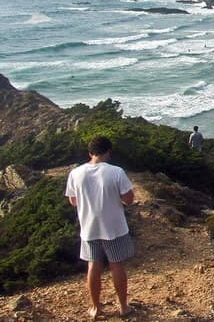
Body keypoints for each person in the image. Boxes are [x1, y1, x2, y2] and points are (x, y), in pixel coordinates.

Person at [65, 136, 135, 320]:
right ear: (109, 152)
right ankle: (123, 307)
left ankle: (96, 308)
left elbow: (73, 201)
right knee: (116, 265)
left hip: (89, 228)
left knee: (93, 266)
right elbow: (129, 199)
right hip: (114, 228)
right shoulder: (116, 172)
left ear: (90, 153)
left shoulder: (76, 173)